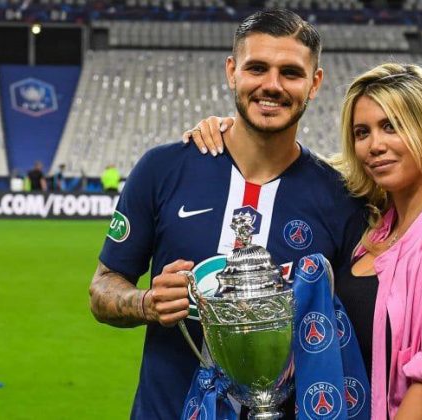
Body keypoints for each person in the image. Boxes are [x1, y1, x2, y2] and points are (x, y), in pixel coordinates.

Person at [89, 10, 365, 420]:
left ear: (315, 83)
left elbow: (353, 330)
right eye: (257, 68)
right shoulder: (163, 169)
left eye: (291, 73)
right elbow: (102, 288)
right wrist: (146, 303)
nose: (272, 85)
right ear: (232, 71)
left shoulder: (342, 198)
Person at [188, 63, 422, 419]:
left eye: (391, 126)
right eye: (361, 132)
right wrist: (232, 135)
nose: (374, 145)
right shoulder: (369, 228)